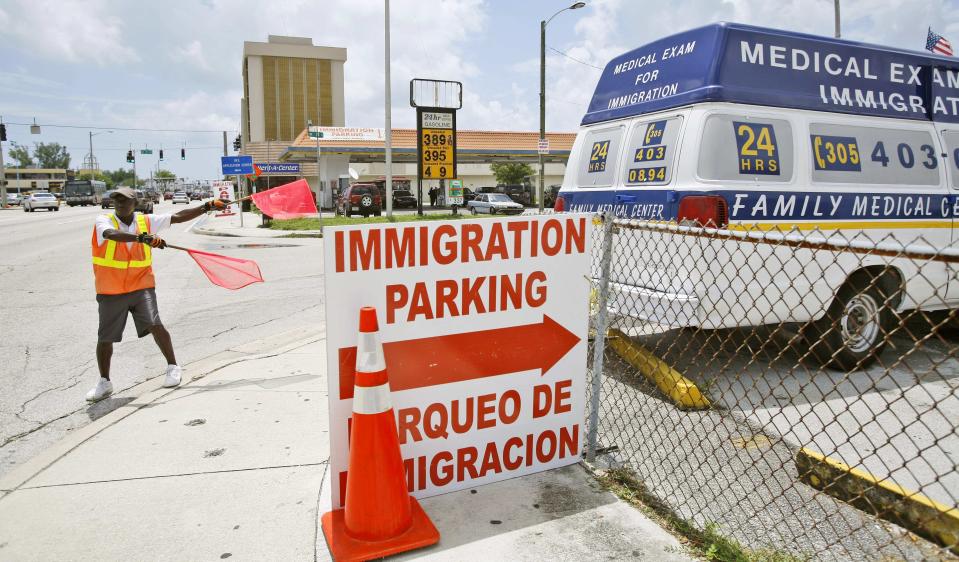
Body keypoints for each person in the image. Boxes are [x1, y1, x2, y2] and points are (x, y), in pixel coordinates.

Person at [86, 187, 228, 402]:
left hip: (141, 285)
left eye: (125, 200)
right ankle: (104, 382)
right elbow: (111, 235)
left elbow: (177, 217)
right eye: (116, 200)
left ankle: (173, 366)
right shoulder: (104, 221)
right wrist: (143, 239)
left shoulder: (145, 221)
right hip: (111, 289)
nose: (120, 204)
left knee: (155, 324)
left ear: (136, 203)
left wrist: (206, 207)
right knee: (105, 338)